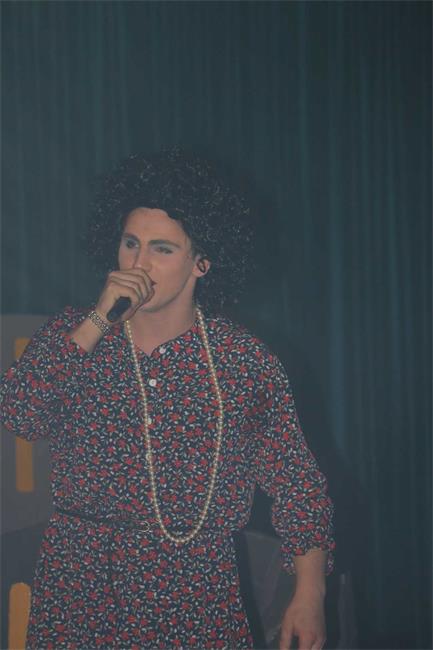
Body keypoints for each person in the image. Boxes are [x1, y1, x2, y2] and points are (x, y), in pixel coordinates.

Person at [0, 148, 335, 650]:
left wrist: (310, 594)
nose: (138, 263)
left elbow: (298, 485)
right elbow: (20, 414)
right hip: (80, 586)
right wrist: (97, 321)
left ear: (202, 263)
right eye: (130, 243)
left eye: (162, 249)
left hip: (195, 591)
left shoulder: (242, 361)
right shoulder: (77, 335)